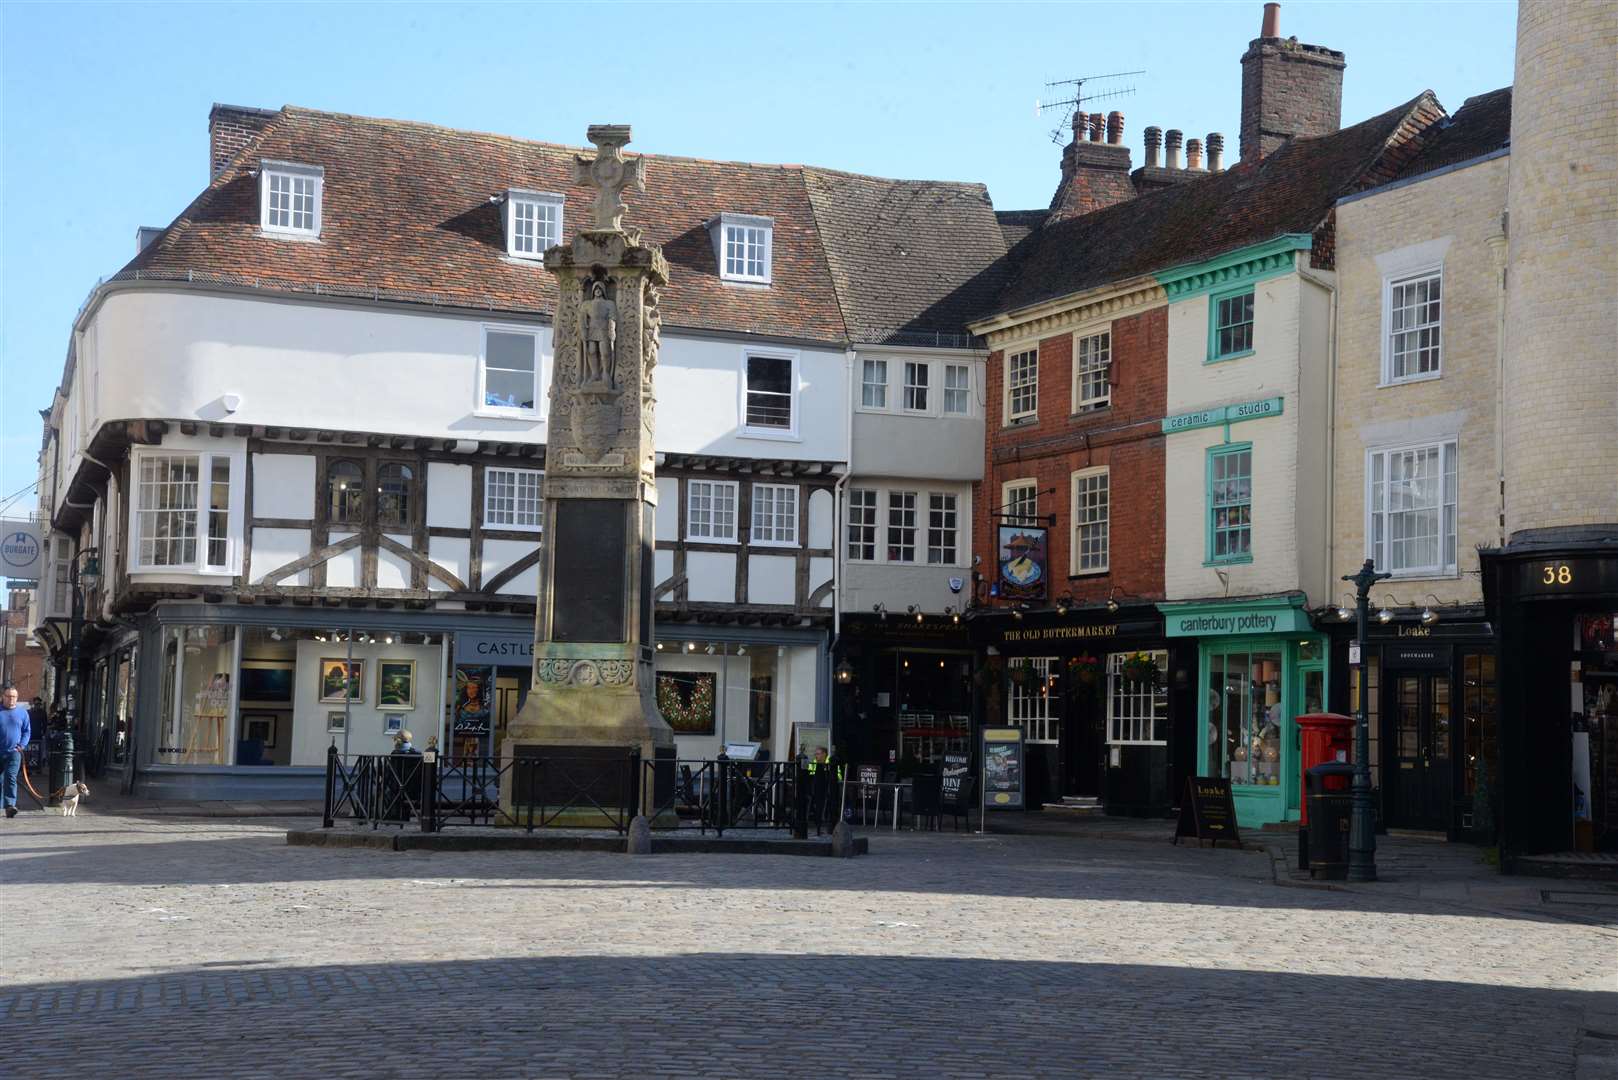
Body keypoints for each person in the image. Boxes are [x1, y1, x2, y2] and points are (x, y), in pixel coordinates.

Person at [0, 684, 32, 819]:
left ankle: (9, 806)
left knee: (10, 777)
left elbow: (27, 731)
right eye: (8, 696)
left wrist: (22, 745)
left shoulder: (22, 713)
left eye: (14, 697)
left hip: (14, 752)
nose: (11, 699)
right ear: (2, 697)